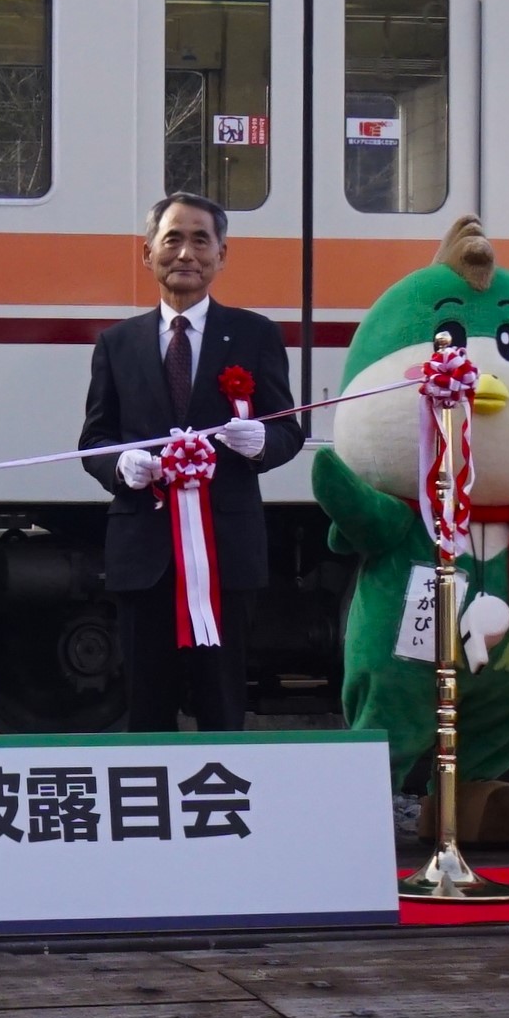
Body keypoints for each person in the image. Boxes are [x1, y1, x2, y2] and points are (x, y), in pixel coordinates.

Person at [80, 190, 301, 731]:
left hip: (224, 551)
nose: (186, 253)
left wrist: (261, 444)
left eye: (201, 240)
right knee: (146, 706)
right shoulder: (118, 342)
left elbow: (288, 431)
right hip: (144, 550)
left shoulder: (255, 334)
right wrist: (121, 466)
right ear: (148, 254)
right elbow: (94, 440)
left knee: (222, 702)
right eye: (172, 239)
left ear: (222, 255)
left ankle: (219, 808)